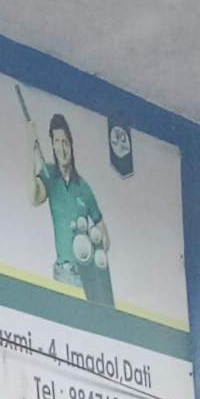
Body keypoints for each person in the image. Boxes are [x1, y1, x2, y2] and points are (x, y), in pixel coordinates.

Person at [30, 110, 115, 312]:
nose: (62, 148)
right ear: (52, 145)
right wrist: (30, 146)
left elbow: (104, 237)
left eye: (65, 142)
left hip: (85, 276)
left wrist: (92, 259)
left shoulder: (84, 188)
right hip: (64, 273)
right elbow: (35, 196)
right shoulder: (49, 175)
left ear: (71, 144)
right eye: (57, 142)